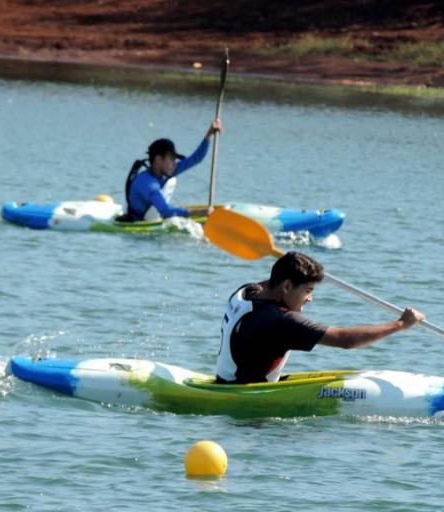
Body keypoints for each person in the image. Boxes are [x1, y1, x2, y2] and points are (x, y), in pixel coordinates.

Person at [216, 251, 426, 384]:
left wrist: (297, 265)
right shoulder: (283, 321)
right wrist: (400, 324)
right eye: (307, 290)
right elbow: (345, 340)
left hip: (224, 381)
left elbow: (275, 280)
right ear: (287, 286)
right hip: (248, 399)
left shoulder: (246, 291)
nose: (310, 298)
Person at [122, 119, 222, 222]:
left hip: (154, 213)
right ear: (158, 159)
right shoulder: (148, 183)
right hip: (137, 223)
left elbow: (196, 158)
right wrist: (199, 212)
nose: (174, 163)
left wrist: (210, 133)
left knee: (171, 181)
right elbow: (166, 211)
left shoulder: (166, 170)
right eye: (171, 159)